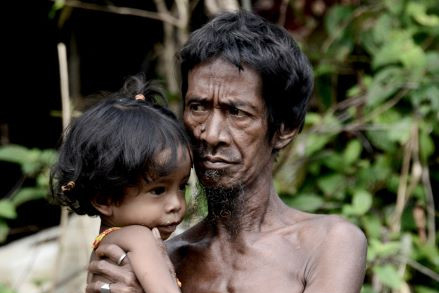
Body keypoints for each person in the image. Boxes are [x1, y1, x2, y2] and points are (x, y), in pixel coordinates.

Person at [87, 10, 367, 293]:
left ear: (284, 129)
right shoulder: (156, 259)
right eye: (198, 107)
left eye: (236, 112)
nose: (210, 134)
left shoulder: (328, 244)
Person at [50, 75, 193, 293]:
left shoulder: (106, 244)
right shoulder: (138, 238)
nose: (176, 203)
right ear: (104, 198)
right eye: (158, 190)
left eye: (182, 186)